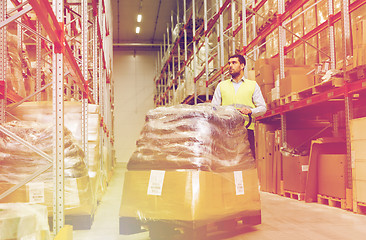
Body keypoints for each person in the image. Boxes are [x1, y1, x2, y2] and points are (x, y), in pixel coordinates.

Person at [211, 54, 267, 158]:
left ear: (242, 66)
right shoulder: (221, 86)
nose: (230, 66)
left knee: (248, 162)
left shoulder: (252, 85)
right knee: (227, 162)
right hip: (226, 132)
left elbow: (263, 108)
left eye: (234, 63)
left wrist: (250, 111)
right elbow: (213, 108)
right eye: (229, 63)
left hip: (247, 131)